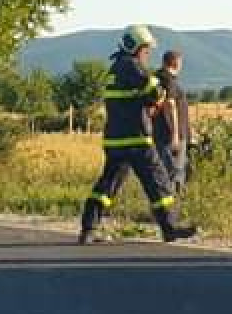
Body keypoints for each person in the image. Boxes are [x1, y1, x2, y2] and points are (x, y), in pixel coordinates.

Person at [78, 25, 197, 245]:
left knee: (107, 185)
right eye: (145, 49)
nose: (147, 53)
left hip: (114, 139)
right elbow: (154, 92)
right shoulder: (134, 66)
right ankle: (170, 227)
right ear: (135, 47)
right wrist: (156, 98)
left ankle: (88, 229)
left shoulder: (114, 69)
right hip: (137, 138)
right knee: (159, 181)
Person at [151, 49, 191, 193]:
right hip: (171, 135)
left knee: (164, 170)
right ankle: (171, 207)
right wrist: (175, 134)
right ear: (176, 63)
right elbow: (171, 105)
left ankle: (163, 205)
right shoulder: (169, 80)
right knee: (175, 171)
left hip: (158, 132)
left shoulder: (155, 78)